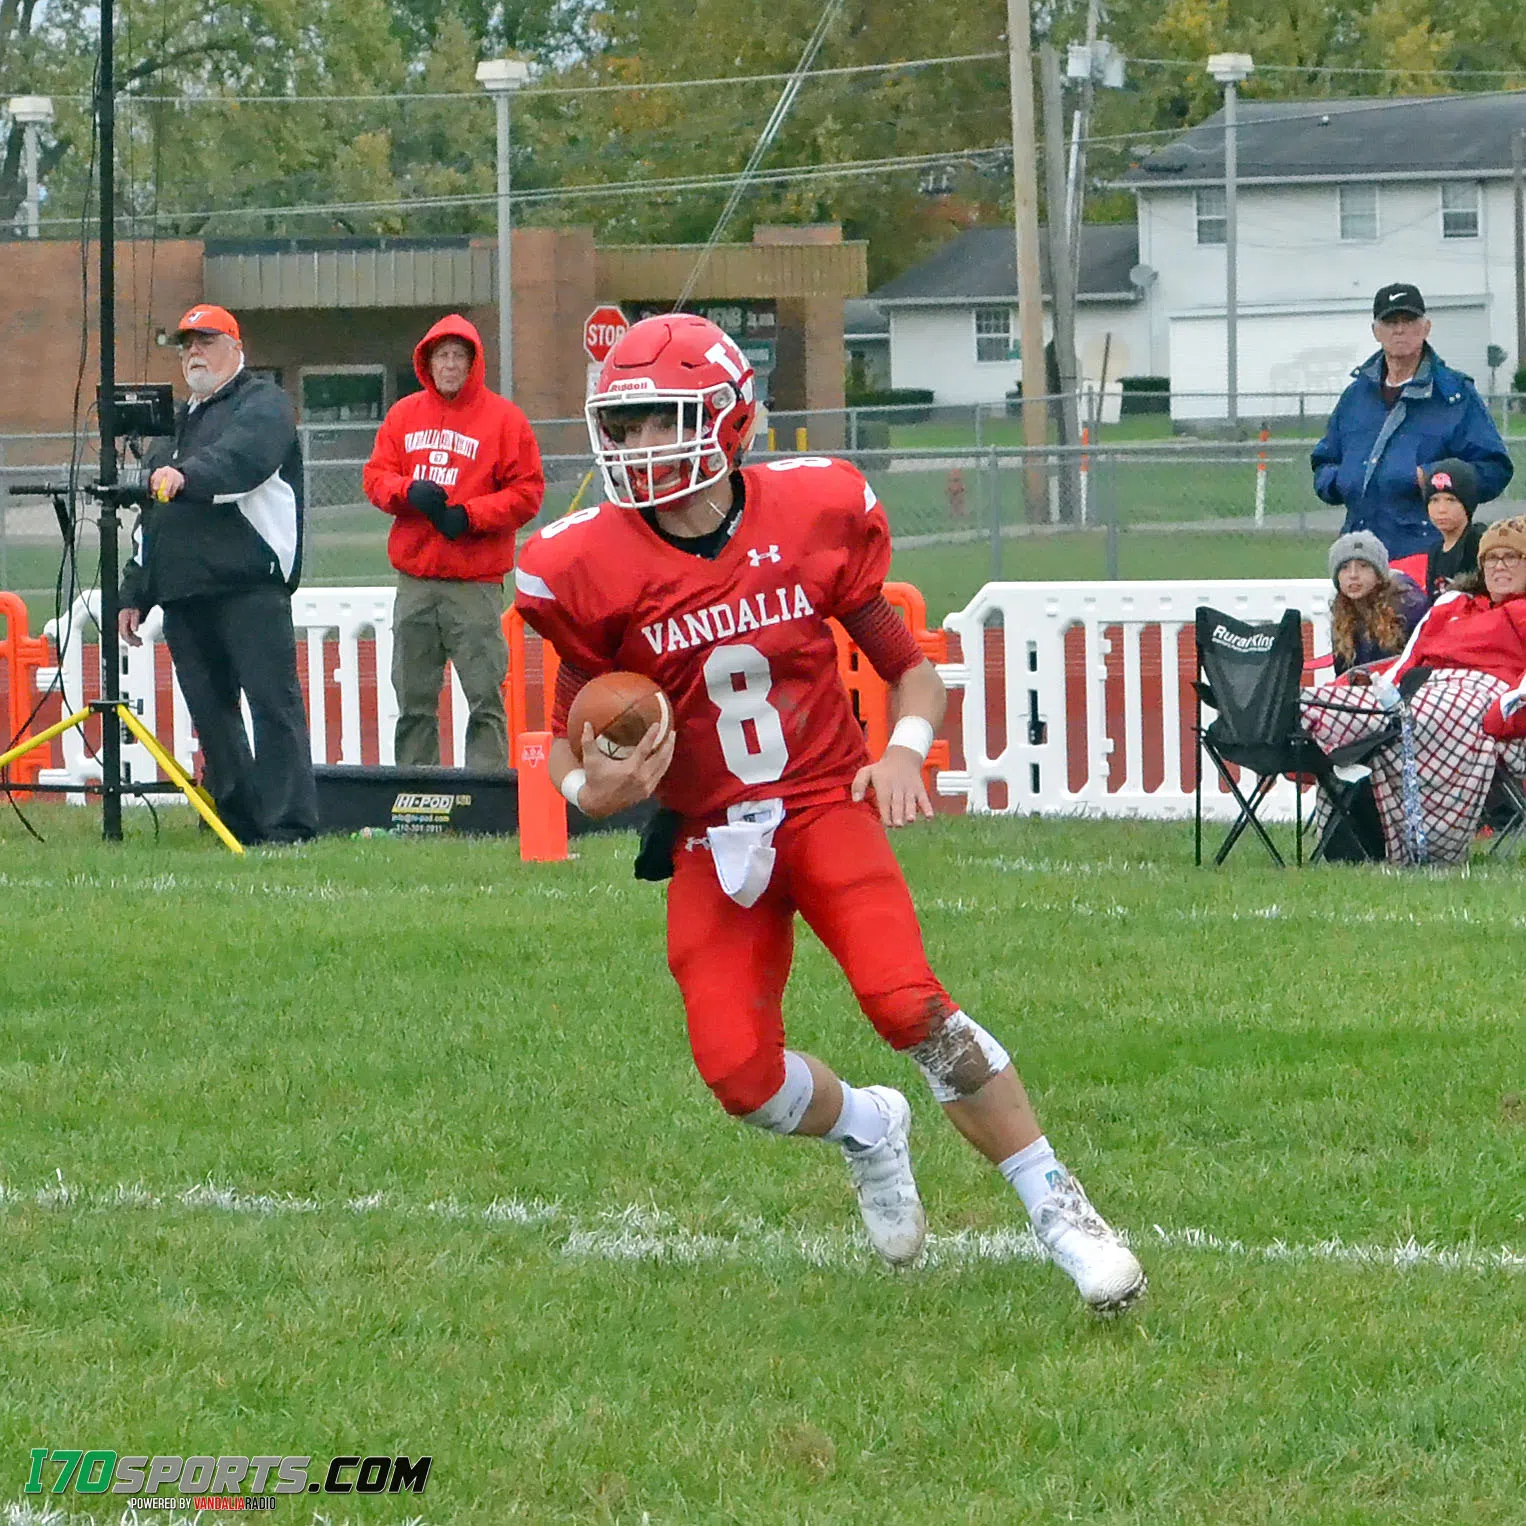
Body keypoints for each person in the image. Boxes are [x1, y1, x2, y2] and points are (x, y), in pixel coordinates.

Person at [514, 313, 1146, 1311]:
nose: (638, 446)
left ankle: (1057, 1202)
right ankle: (865, 1123)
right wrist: (585, 789)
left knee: (907, 1003)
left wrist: (898, 752)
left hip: (821, 799)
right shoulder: (585, 564)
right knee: (737, 1074)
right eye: (622, 425)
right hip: (706, 831)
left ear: (729, 419)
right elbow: (565, 727)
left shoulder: (809, 510)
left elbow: (910, 669)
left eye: (658, 420)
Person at [117, 303, 317, 845]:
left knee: (272, 706)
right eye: (186, 345)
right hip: (185, 591)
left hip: (249, 585)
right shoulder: (175, 424)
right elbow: (151, 517)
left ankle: (289, 825)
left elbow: (242, 463)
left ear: (236, 347)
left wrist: (183, 476)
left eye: (205, 341)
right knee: (211, 714)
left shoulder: (264, 405)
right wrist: (135, 590)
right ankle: (237, 819)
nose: (194, 353)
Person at [363, 314, 545, 772]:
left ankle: (486, 791)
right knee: (413, 697)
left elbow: (527, 493)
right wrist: (408, 492)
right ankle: (413, 787)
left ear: (472, 363)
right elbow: (375, 477)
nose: (448, 365)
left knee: (484, 696)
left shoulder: (505, 420)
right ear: (427, 361)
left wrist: (470, 516)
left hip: (474, 584)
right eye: (440, 356)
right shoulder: (404, 415)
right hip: (416, 581)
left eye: (457, 356)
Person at [1302, 515, 1526, 864]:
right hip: (1425, 684)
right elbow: (1408, 659)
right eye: (1490, 559)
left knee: (1412, 719)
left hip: (1487, 694)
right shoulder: (1453, 603)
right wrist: (1382, 692)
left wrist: (1505, 710)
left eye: (1511, 558)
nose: (1499, 566)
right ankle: (1317, 732)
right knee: (1335, 702)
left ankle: (1417, 838)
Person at [1311, 283, 1512, 582]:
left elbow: (1494, 469)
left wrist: (1432, 480)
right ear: (1376, 331)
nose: (1400, 331)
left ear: (1426, 327)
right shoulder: (1356, 396)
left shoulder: (1455, 395)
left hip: (1429, 557)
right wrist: (1342, 481)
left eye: (1409, 321)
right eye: (1391, 322)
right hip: (1360, 559)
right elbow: (1323, 461)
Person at [1327, 530, 1427, 676]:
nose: (1353, 575)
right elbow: (1343, 676)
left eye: (1363, 566)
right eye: (1344, 568)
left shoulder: (1409, 608)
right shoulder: (1342, 613)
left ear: (1379, 575)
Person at [1420, 458, 1484, 600]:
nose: (1441, 509)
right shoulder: (1436, 551)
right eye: (1434, 500)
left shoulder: (1478, 541)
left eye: (1451, 500)